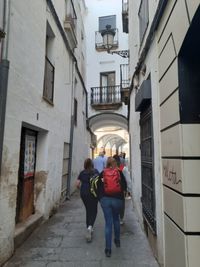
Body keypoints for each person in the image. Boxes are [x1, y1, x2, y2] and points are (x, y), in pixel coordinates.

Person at [97, 157, 127, 257]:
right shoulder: (119, 172)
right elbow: (124, 186)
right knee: (116, 220)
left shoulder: (103, 173)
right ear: (114, 163)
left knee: (108, 224)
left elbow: (98, 186)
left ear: (107, 163)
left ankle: (108, 249)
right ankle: (117, 240)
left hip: (106, 200)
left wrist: (101, 199)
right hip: (117, 200)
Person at [76, 158, 99, 242]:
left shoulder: (82, 173)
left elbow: (77, 184)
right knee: (94, 210)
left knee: (88, 210)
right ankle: (90, 227)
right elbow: (99, 182)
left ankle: (88, 227)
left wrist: (81, 189)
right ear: (92, 164)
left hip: (84, 194)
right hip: (93, 194)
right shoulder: (95, 171)